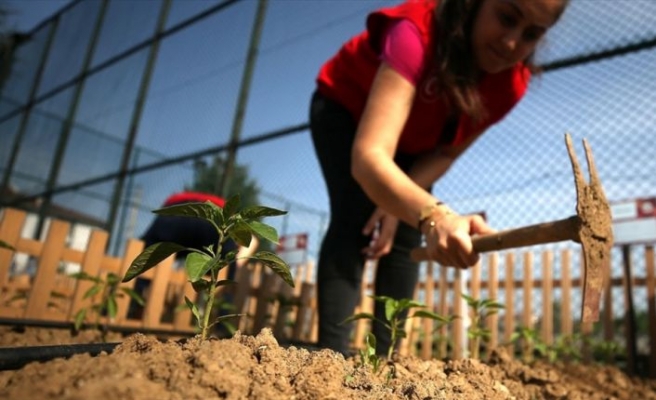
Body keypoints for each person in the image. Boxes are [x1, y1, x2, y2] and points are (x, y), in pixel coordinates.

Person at [309, 0, 569, 356]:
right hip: (348, 112)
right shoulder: (416, 32)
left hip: (419, 144)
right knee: (356, 217)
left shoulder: (511, 84)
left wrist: (405, 208)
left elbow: (446, 153)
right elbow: (369, 157)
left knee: (404, 234)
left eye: (531, 34)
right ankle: (329, 359)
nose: (512, 43)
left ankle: (383, 363)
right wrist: (435, 216)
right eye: (507, 18)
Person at [128, 191, 259, 322]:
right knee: (227, 280)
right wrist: (234, 264)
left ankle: (131, 311)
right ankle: (222, 327)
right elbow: (253, 241)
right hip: (215, 219)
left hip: (175, 212)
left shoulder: (182, 197)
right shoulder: (233, 218)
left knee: (146, 261)